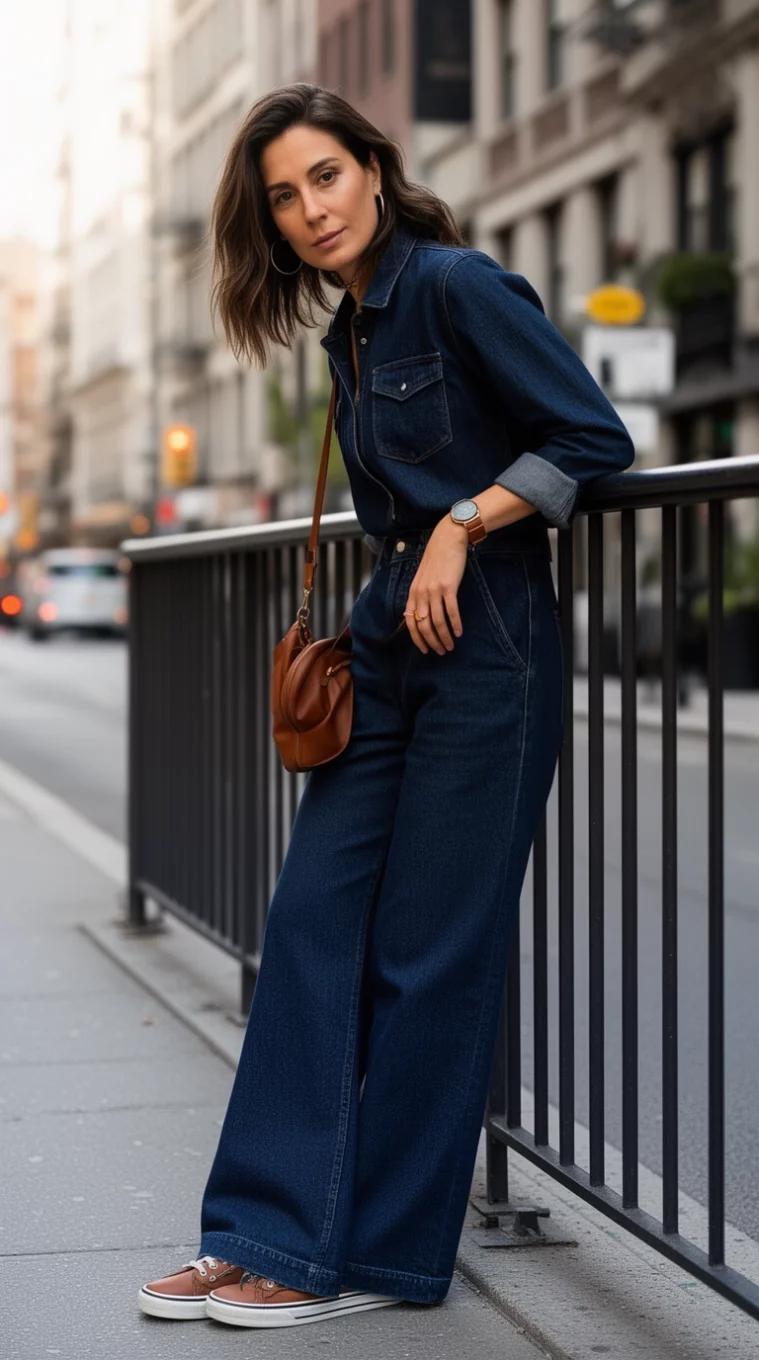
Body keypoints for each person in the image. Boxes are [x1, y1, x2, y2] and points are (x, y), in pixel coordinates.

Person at [138, 82, 634, 1331]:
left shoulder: (459, 287)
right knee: (309, 922)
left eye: (325, 177)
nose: (309, 210)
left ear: (373, 166)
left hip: (488, 648)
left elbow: (591, 436)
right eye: (284, 197)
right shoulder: (346, 330)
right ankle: (262, 1229)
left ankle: (373, 1257)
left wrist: (468, 522)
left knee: (429, 952)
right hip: (385, 647)